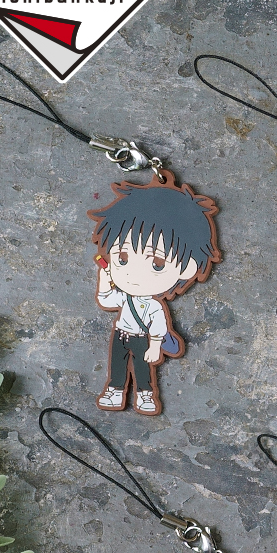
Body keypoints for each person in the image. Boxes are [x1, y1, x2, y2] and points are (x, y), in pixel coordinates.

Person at [89, 172, 220, 415]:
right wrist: (105, 282)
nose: (133, 274)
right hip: (120, 334)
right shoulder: (125, 297)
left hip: (142, 338)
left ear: (187, 268)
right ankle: (115, 390)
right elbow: (106, 299)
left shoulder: (154, 306)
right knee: (117, 365)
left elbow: (158, 326)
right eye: (123, 257)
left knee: (142, 367)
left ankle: (145, 394)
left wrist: (155, 346)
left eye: (157, 264)